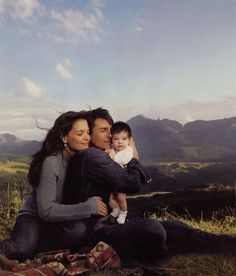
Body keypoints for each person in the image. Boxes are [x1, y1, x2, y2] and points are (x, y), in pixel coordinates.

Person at [64, 107, 236, 263]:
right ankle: (164, 250)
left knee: (174, 226)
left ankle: (225, 243)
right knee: (153, 229)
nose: (110, 135)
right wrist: (133, 155)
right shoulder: (91, 156)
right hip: (92, 234)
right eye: (103, 130)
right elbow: (131, 184)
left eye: (111, 129)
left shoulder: (101, 155)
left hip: (108, 225)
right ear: (89, 133)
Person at [0, 111, 108, 260]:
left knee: (78, 231)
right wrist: (89, 207)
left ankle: (36, 246)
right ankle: (29, 246)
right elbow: (47, 211)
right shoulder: (51, 162)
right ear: (65, 138)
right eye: (80, 133)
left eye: (88, 132)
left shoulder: (83, 158)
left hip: (58, 220)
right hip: (34, 217)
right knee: (22, 248)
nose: (87, 138)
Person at [107, 121, 145, 224]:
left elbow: (124, 160)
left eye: (124, 139)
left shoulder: (128, 150)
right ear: (111, 140)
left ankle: (123, 212)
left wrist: (111, 157)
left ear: (129, 140)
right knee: (110, 197)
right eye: (116, 139)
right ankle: (116, 210)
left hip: (123, 179)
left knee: (121, 197)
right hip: (113, 179)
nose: (120, 142)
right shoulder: (112, 149)